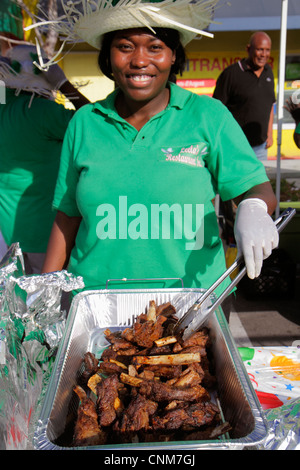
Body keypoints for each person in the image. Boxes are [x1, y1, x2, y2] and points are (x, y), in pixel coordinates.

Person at [41, 0, 278, 299]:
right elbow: (67, 218)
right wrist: (45, 294)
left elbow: (258, 188)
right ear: (108, 56)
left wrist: (253, 207)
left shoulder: (208, 115)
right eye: (125, 46)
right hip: (96, 302)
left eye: (155, 47)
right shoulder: (85, 123)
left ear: (173, 55)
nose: (140, 60)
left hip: (192, 302)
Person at [0, 43, 89, 273]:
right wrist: (64, 85)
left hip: (8, 239)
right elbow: (93, 122)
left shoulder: (3, 109)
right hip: (47, 239)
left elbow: (4, 91)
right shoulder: (44, 113)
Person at [213, 31, 275, 161]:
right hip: (235, 147)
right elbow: (216, 110)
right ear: (248, 49)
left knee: (259, 182)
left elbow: (269, 105)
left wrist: (269, 133)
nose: (264, 54)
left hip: (261, 147)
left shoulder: (269, 72)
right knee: (236, 182)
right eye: (259, 49)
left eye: (267, 50)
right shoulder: (231, 74)